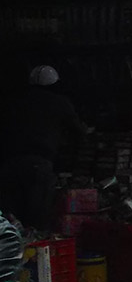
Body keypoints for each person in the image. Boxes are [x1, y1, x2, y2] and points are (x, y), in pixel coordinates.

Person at [0, 65, 88, 230]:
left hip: (9, 163)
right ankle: (38, 249)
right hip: (38, 164)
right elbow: (79, 131)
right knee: (38, 215)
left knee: (12, 215)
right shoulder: (60, 102)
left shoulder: (14, 101)